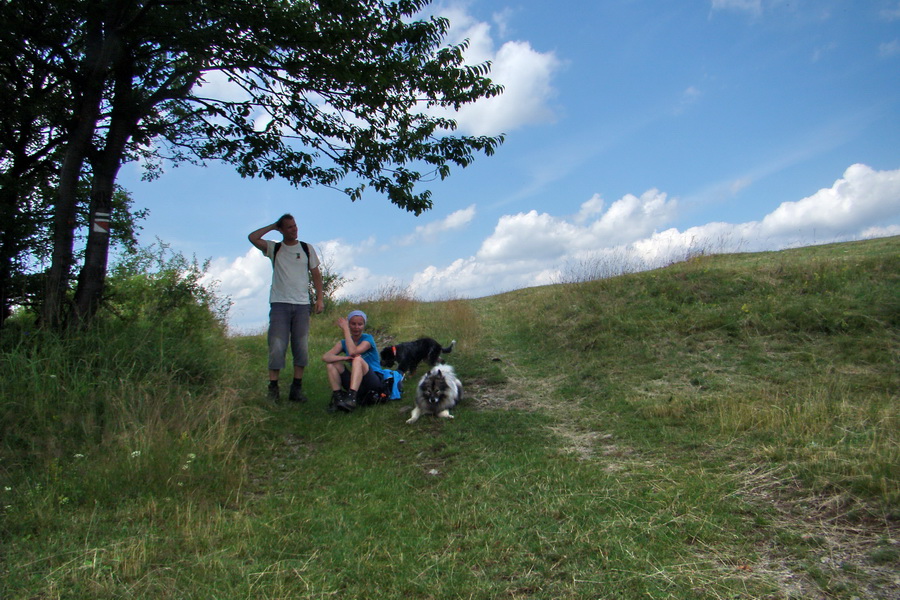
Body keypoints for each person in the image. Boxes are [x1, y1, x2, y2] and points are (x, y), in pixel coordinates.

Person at [249, 213, 324, 403]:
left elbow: (316, 274)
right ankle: (273, 389)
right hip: (280, 303)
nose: (294, 229)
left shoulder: (307, 249)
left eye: (295, 225)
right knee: (276, 345)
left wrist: (319, 298)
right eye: (289, 227)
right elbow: (252, 237)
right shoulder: (275, 248)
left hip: (301, 304)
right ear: (281, 230)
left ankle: (296, 389)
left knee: (301, 347)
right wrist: (273, 225)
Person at [322, 310, 386, 412]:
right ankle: (338, 398)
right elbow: (326, 357)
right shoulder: (344, 342)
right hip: (357, 381)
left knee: (357, 359)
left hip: (373, 380)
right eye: (353, 324)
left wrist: (346, 330)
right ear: (349, 324)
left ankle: (351, 398)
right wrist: (343, 358)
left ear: (364, 325)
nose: (356, 327)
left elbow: (353, 352)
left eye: (360, 324)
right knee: (331, 364)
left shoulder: (368, 339)